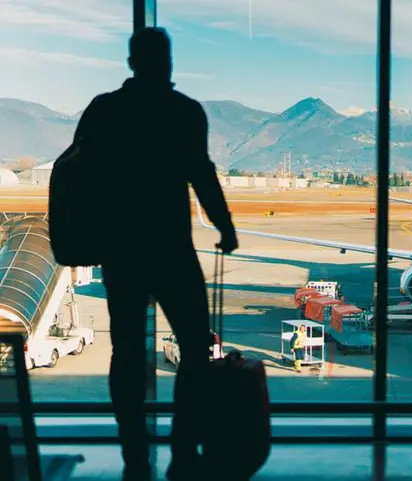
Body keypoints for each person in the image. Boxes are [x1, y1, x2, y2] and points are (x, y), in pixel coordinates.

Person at [73, 27, 238, 481]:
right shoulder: (184, 112)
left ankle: (133, 454)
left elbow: (75, 175)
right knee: (195, 350)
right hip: (171, 250)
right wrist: (225, 226)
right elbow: (201, 174)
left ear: (131, 61)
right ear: (168, 62)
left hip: (121, 251)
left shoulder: (103, 110)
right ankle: (184, 451)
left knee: (124, 353)